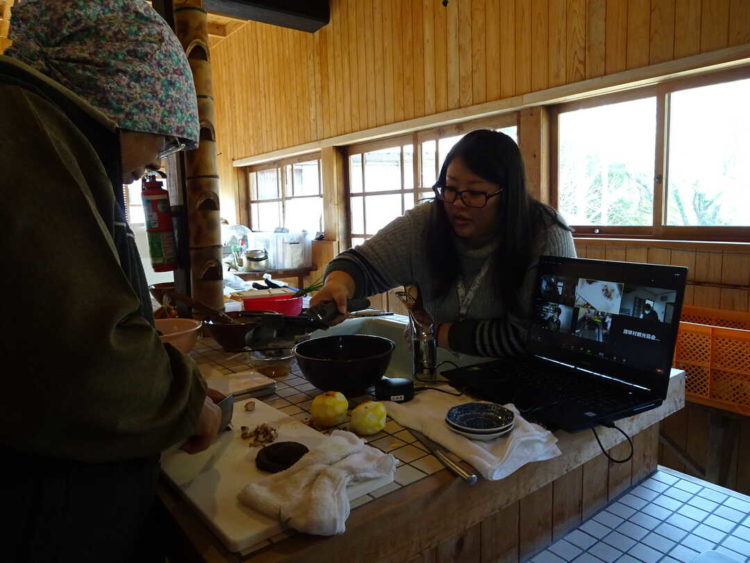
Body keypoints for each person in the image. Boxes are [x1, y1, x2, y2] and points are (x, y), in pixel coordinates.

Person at [0, 1, 220, 561]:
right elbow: (82, 355)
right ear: (117, 99)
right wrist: (184, 398)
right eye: (157, 139)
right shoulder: (25, 139)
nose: (151, 164)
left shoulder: (38, 134)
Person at [311, 129, 577, 357]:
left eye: (474, 193)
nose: (457, 204)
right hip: (441, 377)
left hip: (521, 388)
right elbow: (362, 265)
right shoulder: (427, 222)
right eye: (449, 189)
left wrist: (438, 332)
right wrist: (338, 285)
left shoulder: (545, 233)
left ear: (508, 195)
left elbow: (541, 336)